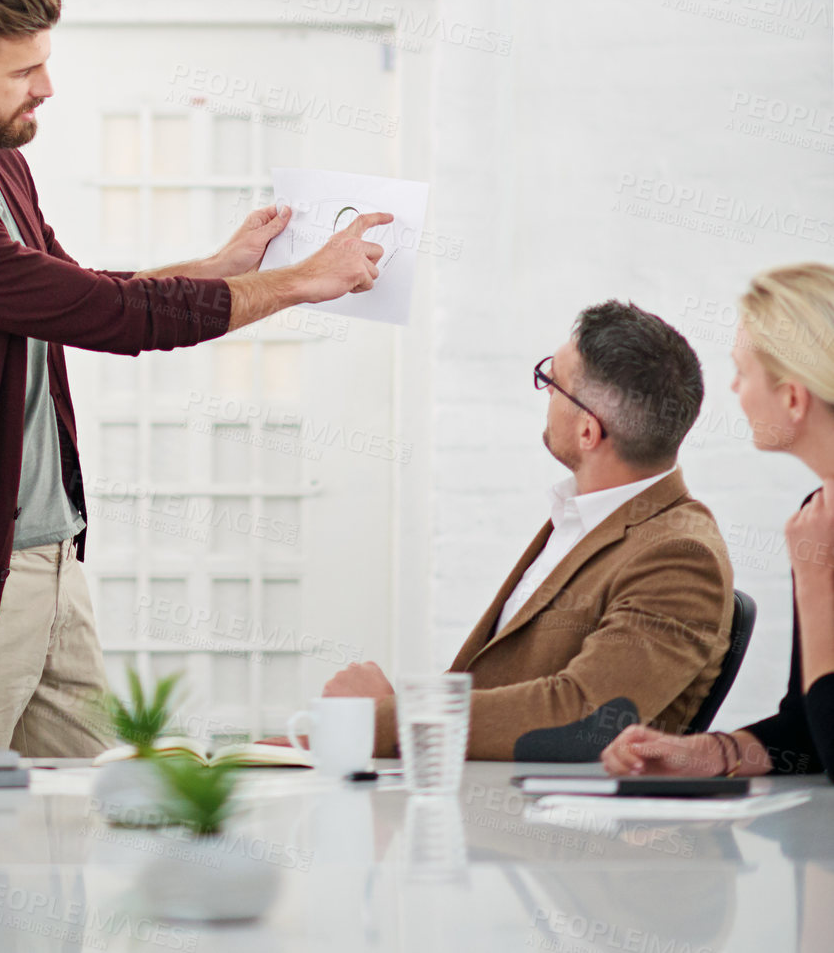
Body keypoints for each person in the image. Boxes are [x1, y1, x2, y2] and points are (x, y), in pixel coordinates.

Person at [0, 0, 390, 756]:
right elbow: (114, 319)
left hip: (49, 564)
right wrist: (301, 283)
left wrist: (217, 265)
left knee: (80, 834)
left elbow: (71, 290)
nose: (47, 88)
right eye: (23, 73)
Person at [320, 301, 733, 761]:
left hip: (551, 825)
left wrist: (385, 718)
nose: (545, 394)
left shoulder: (680, 555)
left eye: (551, 382)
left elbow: (583, 716)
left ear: (588, 432)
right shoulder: (587, 518)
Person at [603, 263, 834, 781]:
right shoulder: (817, 515)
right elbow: (809, 730)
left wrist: (818, 583)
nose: (733, 389)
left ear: (793, 399)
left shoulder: (816, 537)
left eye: (743, 372)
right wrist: (711, 753)